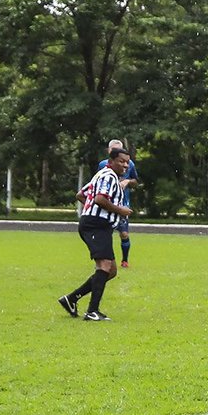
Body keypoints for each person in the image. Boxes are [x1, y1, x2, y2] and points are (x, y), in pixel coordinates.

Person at [59, 147, 133, 322]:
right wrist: (119, 210)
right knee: (105, 266)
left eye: (127, 162)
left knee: (111, 270)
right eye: (121, 161)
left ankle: (71, 299)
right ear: (111, 161)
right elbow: (100, 199)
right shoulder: (107, 176)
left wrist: (92, 209)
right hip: (96, 225)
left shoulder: (103, 176)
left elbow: (81, 194)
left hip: (99, 225)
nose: (125, 165)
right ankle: (92, 311)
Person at [97, 138, 139, 268]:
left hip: (122, 203)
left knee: (124, 233)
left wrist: (127, 182)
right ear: (109, 151)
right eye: (113, 150)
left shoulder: (129, 164)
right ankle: (103, 260)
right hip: (106, 203)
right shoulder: (103, 165)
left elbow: (136, 181)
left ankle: (124, 260)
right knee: (104, 233)